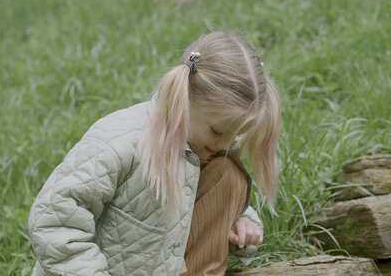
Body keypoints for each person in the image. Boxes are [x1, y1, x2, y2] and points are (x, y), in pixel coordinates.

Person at [27, 31, 283, 276]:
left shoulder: (204, 150)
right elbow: (53, 221)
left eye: (234, 135)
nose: (225, 144)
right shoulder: (120, 142)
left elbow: (191, 195)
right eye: (217, 132)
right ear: (186, 98)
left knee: (229, 174)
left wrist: (241, 223)